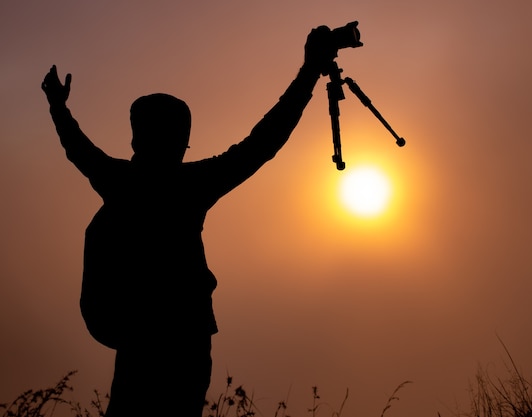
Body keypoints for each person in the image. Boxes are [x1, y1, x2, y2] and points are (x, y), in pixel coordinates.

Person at [41, 26, 336, 417]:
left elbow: (76, 147)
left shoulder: (120, 182)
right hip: (186, 335)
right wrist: (309, 72)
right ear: (182, 141)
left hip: (139, 334)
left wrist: (58, 107)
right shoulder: (192, 185)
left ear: (135, 140)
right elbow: (264, 141)